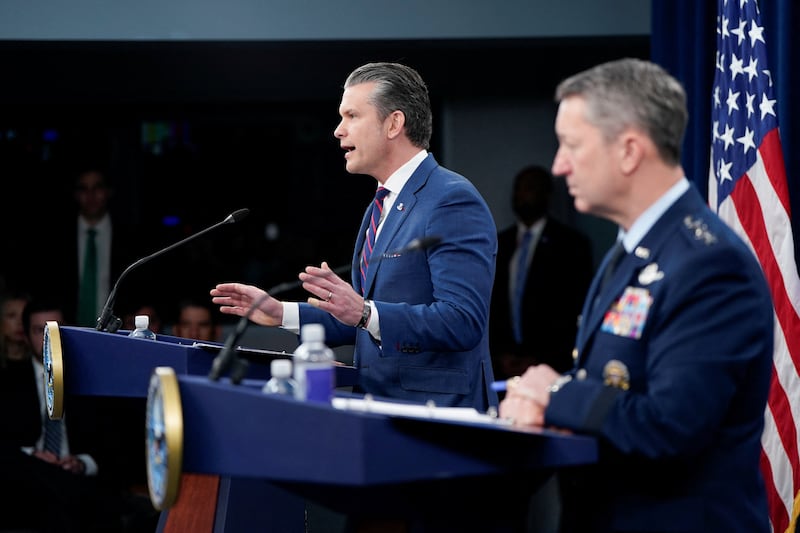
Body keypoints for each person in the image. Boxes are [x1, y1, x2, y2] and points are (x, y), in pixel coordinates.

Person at [499, 58, 773, 532]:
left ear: (628, 151)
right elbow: (614, 382)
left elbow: (670, 426)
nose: (558, 165)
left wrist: (557, 393)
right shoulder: (628, 250)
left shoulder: (709, 264)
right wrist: (540, 400)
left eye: (571, 144)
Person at [211, 62, 498, 412]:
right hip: (378, 408)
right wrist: (280, 312)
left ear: (393, 123)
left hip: (438, 415)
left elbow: (462, 321)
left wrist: (363, 311)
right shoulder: (382, 203)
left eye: (351, 116)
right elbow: (366, 320)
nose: (337, 131)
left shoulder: (451, 199)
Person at [489, 164, 593, 380]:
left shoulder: (571, 245)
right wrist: (499, 354)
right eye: (518, 188)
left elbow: (573, 308)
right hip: (502, 365)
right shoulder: (499, 243)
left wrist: (540, 359)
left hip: (552, 366)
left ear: (546, 194)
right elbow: (492, 304)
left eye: (529, 188)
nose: (520, 194)